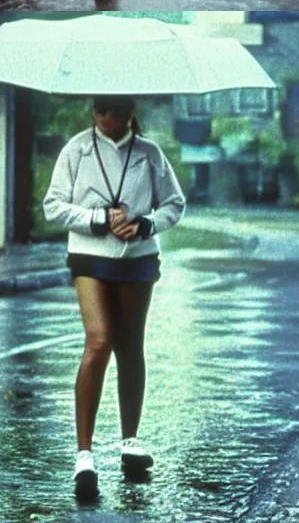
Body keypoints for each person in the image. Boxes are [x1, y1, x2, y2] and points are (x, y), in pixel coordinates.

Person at [43, 96, 185, 503]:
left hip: (137, 259)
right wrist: (99, 220)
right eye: (100, 112)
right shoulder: (77, 149)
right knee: (99, 340)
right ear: (92, 112)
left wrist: (145, 225)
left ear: (130, 115)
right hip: (89, 256)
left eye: (115, 113)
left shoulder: (149, 153)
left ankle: (130, 442)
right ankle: (84, 454)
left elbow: (174, 204)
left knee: (129, 345)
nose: (106, 120)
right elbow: (53, 205)